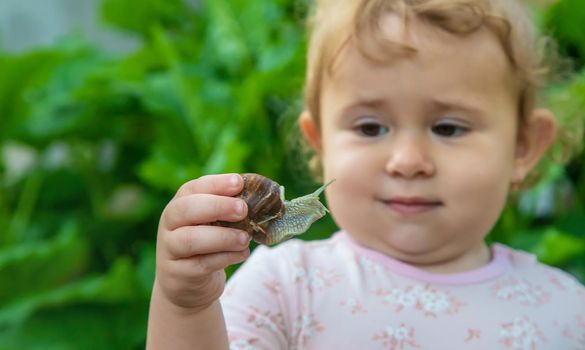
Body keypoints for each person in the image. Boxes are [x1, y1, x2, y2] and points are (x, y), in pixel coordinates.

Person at [146, 0, 585, 349]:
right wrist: (185, 308)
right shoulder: (287, 288)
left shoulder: (566, 312)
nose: (408, 160)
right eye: (371, 127)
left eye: (448, 128)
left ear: (523, 146)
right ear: (320, 142)